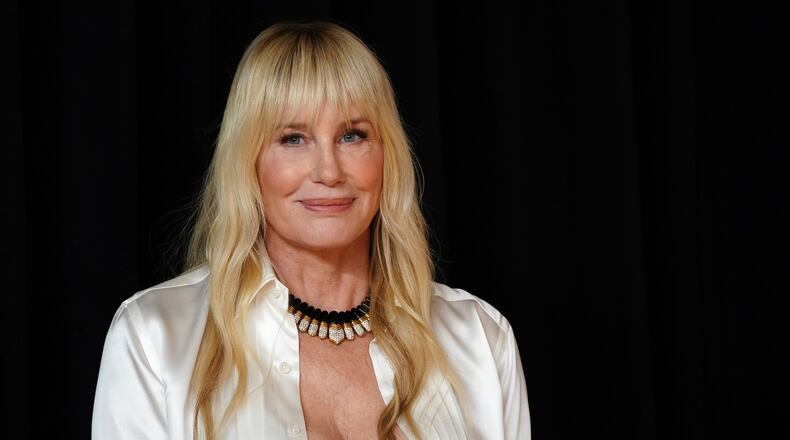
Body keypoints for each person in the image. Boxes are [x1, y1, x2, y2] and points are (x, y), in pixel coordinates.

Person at [91, 20, 530, 440]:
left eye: (352, 135)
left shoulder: (479, 337)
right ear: (248, 161)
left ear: (387, 156)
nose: (328, 171)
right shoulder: (155, 336)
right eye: (293, 138)